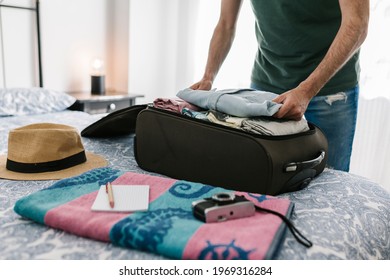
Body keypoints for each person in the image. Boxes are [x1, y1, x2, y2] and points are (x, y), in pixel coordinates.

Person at [190, 0, 369, 172]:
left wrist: (306, 90)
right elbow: (225, 24)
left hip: (330, 91)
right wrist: (208, 76)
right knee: (262, 173)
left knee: (331, 181)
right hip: (267, 86)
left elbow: (357, 26)